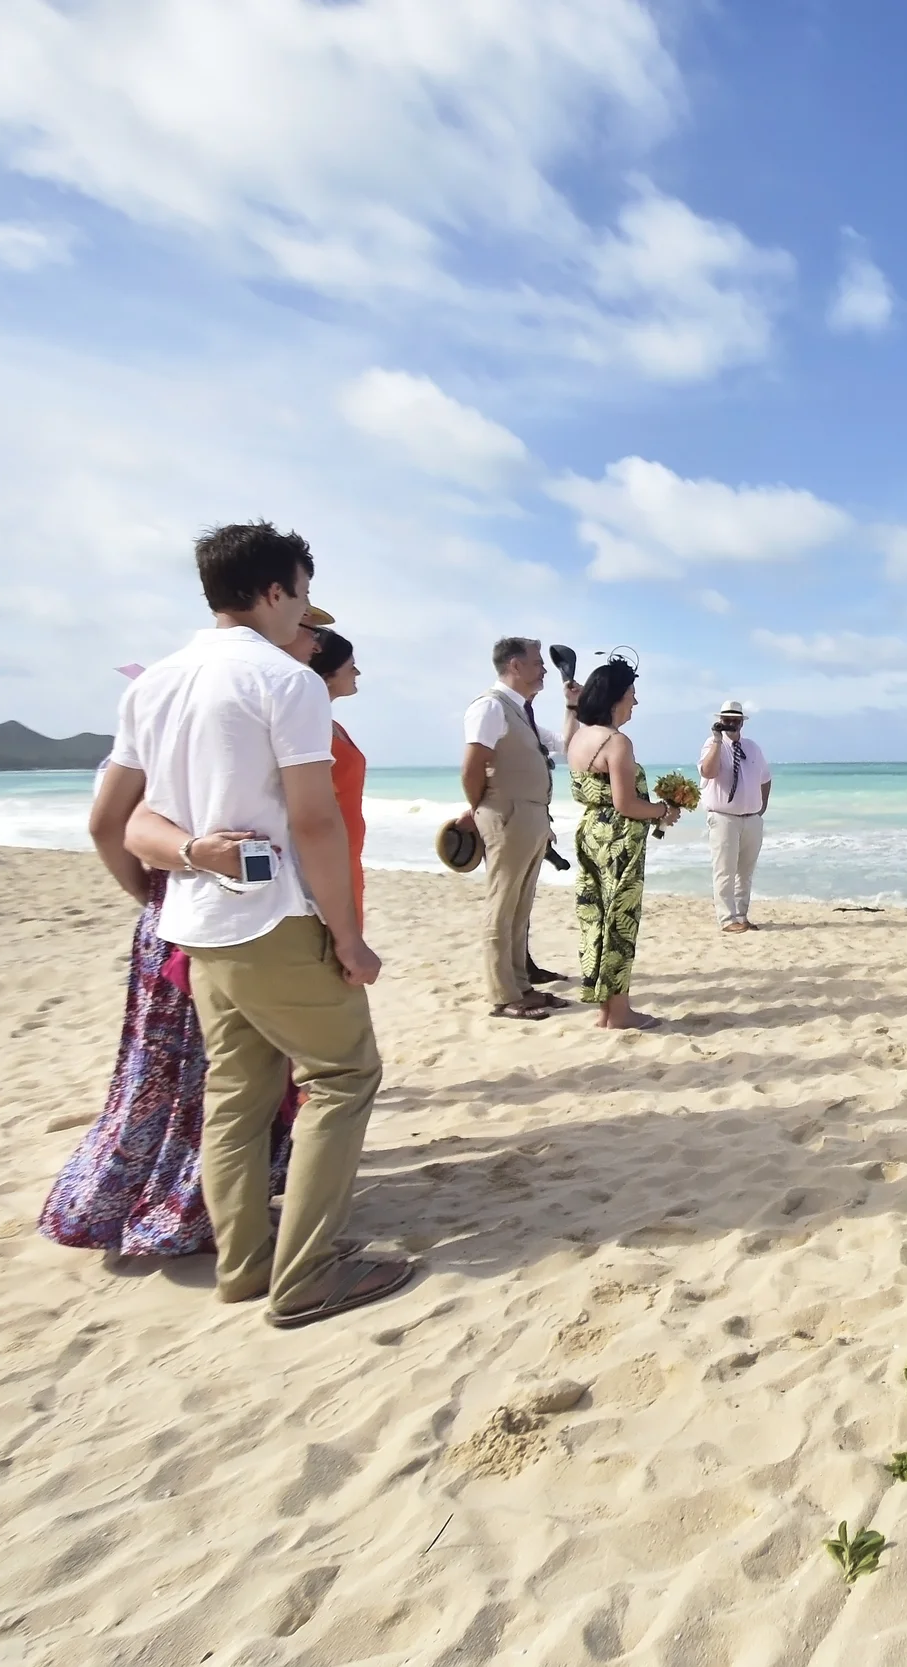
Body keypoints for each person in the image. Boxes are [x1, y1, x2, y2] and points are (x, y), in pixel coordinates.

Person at [95, 522, 409, 1326]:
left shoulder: (155, 682)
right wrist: (347, 935)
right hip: (276, 918)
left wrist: (176, 873)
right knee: (343, 1075)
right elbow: (314, 821)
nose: (306, 611)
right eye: (301, 593)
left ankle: (245, 1263)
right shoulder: (286, 680)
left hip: (197, 922)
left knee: (236, 1092)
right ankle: (307, 1275)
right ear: (274, 591)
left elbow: (120, 819)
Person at [565, 658, 683, 1030]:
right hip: (618, 841)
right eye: (631, 694)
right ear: (615, 697)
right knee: (620, 923)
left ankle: (606, 1009)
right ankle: (619, 1013)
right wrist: (663, 809)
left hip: (590, 834)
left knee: (596, 920)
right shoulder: (617, 742)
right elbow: (625, 804)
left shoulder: (579, 738)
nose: (635, 702)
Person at [455, 638, 565, 1019]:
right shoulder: (490, 707)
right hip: (508, 815)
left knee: (520, 907)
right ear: (515, 666)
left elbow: (564, 746)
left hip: (530, 816)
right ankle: (504, 995)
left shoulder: (521, 710)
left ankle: (521, 985)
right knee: (502, 905)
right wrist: (484, 807)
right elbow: (472, 768)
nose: (544, 669)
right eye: (537, 662)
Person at [307, 627, 370, 929]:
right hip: (328, 857)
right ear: (328, 674)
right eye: (350, 664)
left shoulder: (331, 725)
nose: (357, 670)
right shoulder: (308, 728)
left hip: (347, 853)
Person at [698, 698, 771, 933]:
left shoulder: (752, 747)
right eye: (726, 719)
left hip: (751, 818)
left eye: (735, 720)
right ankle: (727, 919)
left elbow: (765, 778)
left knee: (745, 872)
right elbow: (708, 772)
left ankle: (741, 915)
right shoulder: (712, 745)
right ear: (720, 721)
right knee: (724, 870)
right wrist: (718, 741)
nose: (731, 723)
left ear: (741, 722)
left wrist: (761, 807)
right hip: (723, 817)